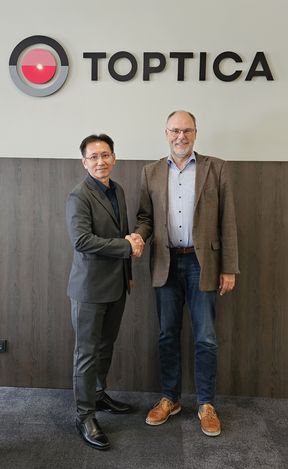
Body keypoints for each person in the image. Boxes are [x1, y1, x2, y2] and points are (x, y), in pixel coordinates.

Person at [132, 110, 239, 436]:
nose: (182, 136)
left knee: (205, 337)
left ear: (195, 133)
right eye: (176, 130)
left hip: (201, 264)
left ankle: (206, 403)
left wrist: (229, 268)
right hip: (165, 264)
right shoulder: (149, 172)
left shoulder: (216, 167)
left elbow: (227, 221)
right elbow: (145, 217)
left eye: (187, 131)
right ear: (166, 133)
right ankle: (170, 398)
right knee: (167, 334)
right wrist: (138, 234)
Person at [66, 134, 142, 450]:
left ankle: (98, 395)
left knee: (106, 346)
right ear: (85, 162)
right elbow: (81, 241)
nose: (101, 161)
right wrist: (127, 246)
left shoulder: (118, 190)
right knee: (86, 353)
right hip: (88, 289)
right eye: (94, 156)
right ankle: (84, 416)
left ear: (114, 157)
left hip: (116, 286)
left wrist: (128, 274)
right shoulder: (79, 196)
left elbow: (121, 231)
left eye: (106, 154)